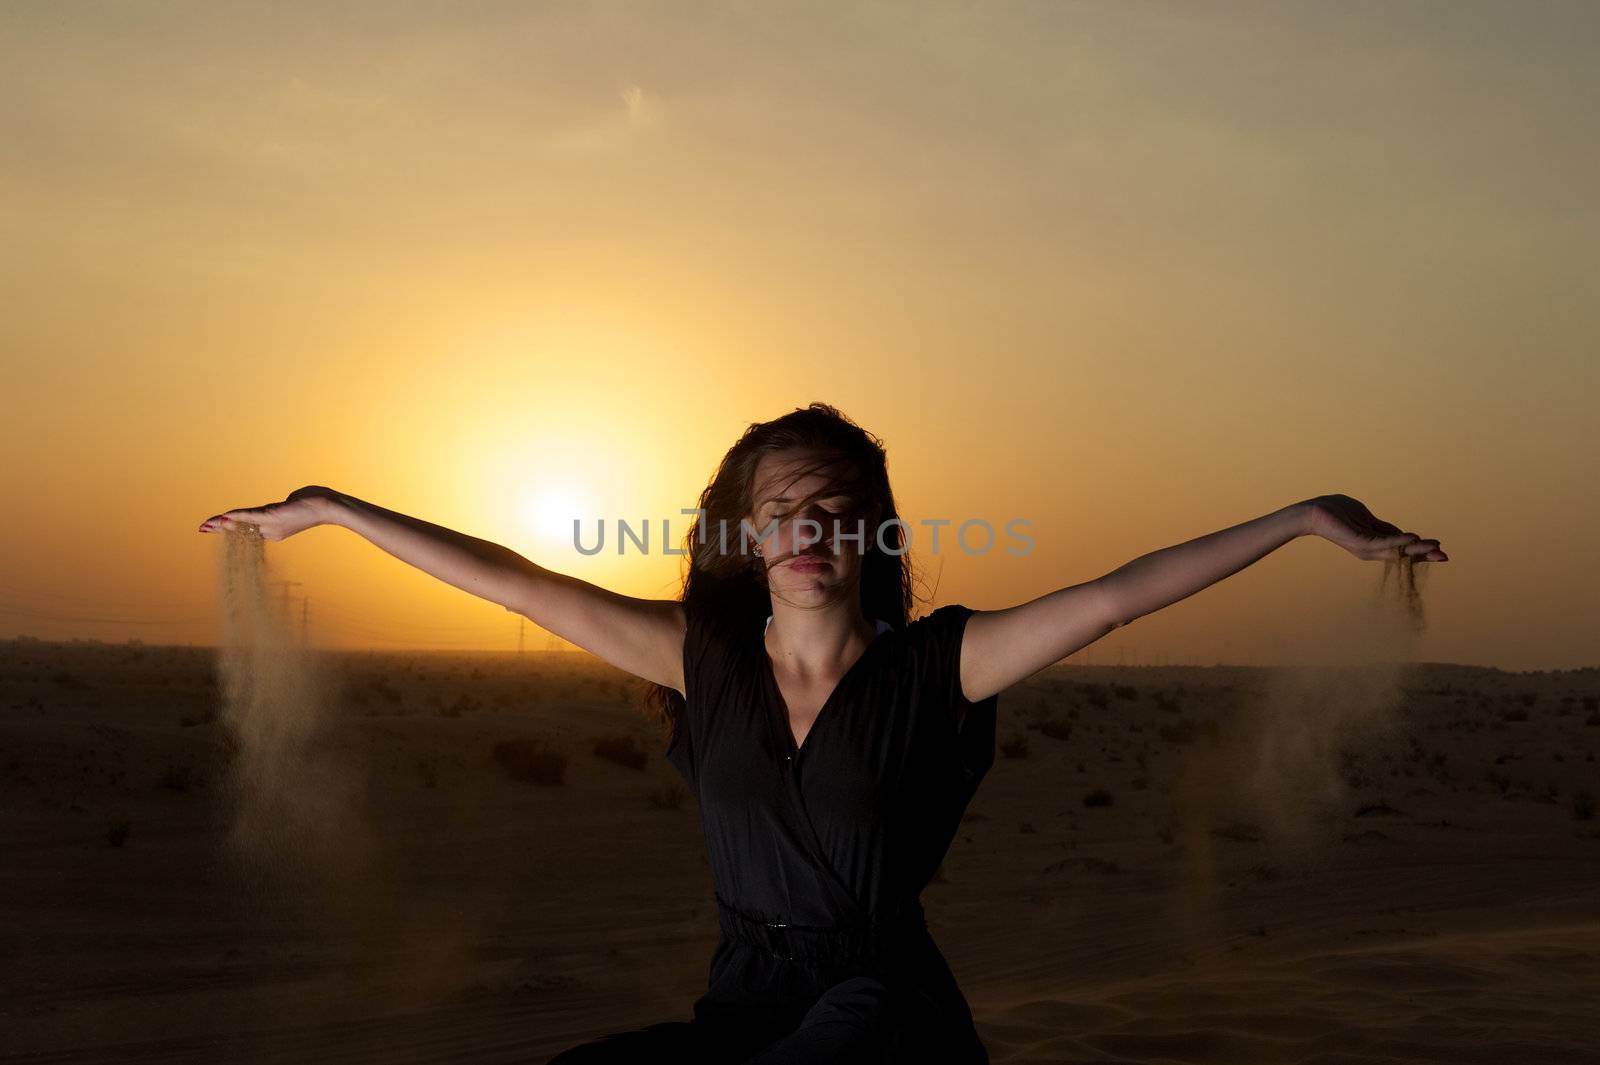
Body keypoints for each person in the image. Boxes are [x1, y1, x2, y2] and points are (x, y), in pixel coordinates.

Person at [197, 402, 1447, 1063]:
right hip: (745, 1003)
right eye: (777, 507)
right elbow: (515, 581)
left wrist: (1300, 517)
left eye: (832, 508)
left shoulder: (943, 665)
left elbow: (1125, 589)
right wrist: (333, 510)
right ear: (747, 534)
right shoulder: (699, 662)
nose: (803, 527)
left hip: (876, 1012)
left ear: (871, 533)